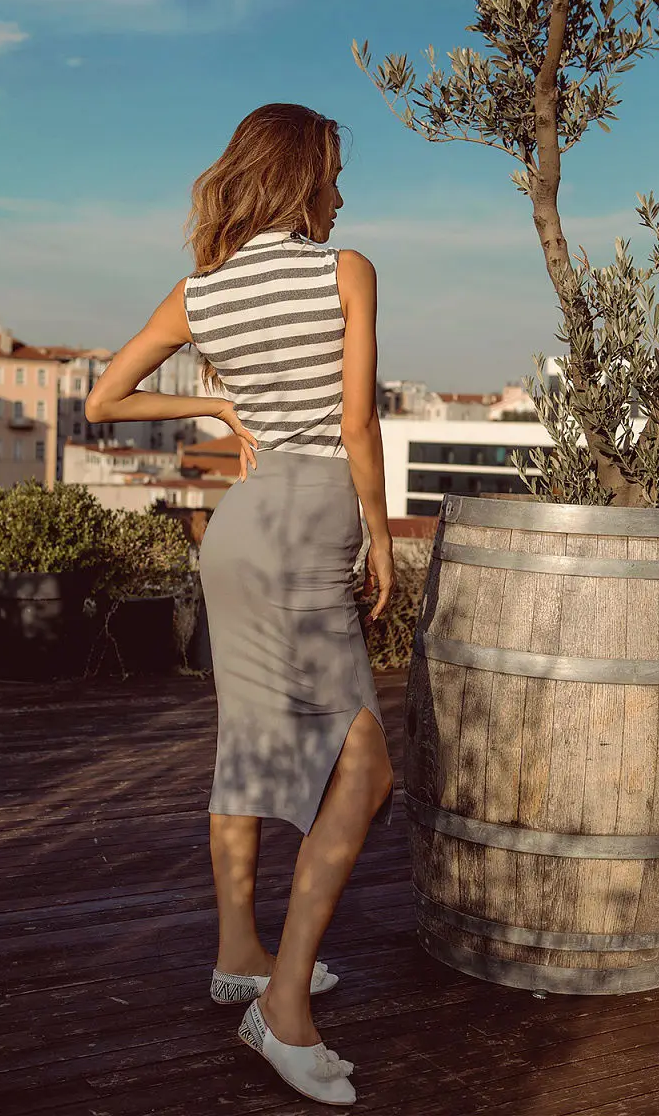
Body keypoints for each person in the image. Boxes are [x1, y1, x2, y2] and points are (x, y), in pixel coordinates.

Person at [85, 102, 397, 1105]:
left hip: (239, 526)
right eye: (334, 172)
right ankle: (284, 1006)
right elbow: (356, 422)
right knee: (367, 768)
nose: (341, 191)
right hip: (308, 520)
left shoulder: (201, 291)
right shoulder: (345, 271)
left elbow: (103, 400)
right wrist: (381, 532)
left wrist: (216, 402)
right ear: (303, 176)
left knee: (248, 742)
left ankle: (238, 956)